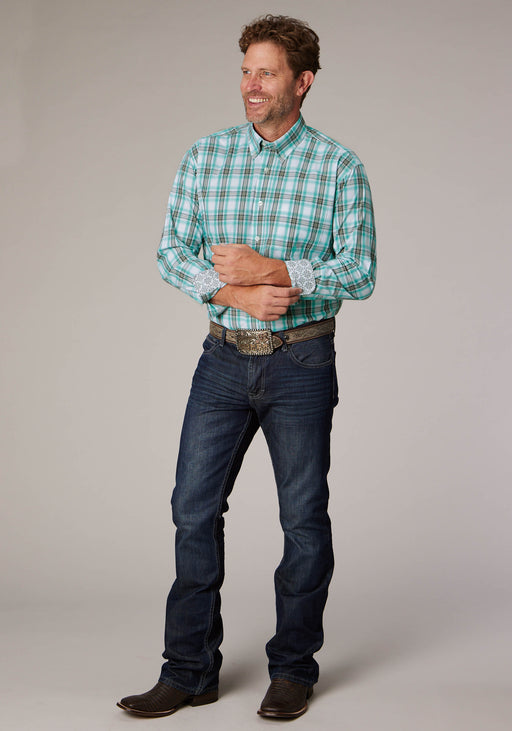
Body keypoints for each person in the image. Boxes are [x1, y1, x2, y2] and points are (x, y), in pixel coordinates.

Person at [117, 14, 376, 721]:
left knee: (303, 519)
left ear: (303, 81)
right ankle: (188, 671)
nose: (251, 85)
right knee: (192, 510)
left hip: (302, 361)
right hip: (223, 359)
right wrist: (233, 292)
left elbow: (360, 272)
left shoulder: (338, 167)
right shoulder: (206, 157)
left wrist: (276, 270)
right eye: (245, 71)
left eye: (267, 72)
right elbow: (172, 251)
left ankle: (292, 669)